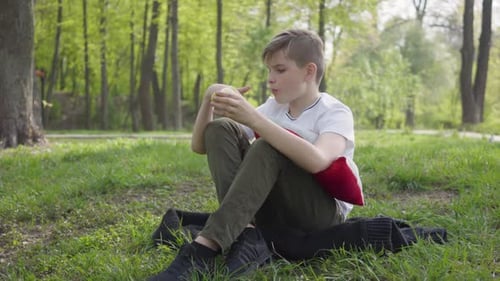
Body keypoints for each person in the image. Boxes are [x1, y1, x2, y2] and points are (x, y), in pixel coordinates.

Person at [148, 28, 362, 280]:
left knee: (267, 144)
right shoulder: (273, 107)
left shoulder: (334, 112)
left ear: (309, 71)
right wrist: (209, 99)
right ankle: (246, 234)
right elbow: (201, 146)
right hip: (273, 210)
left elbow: (318, 161)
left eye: (280, 70)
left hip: (320, 214)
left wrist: (255, 120)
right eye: (269, 70)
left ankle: (204, 249)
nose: (270, 79)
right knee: (220, 128)